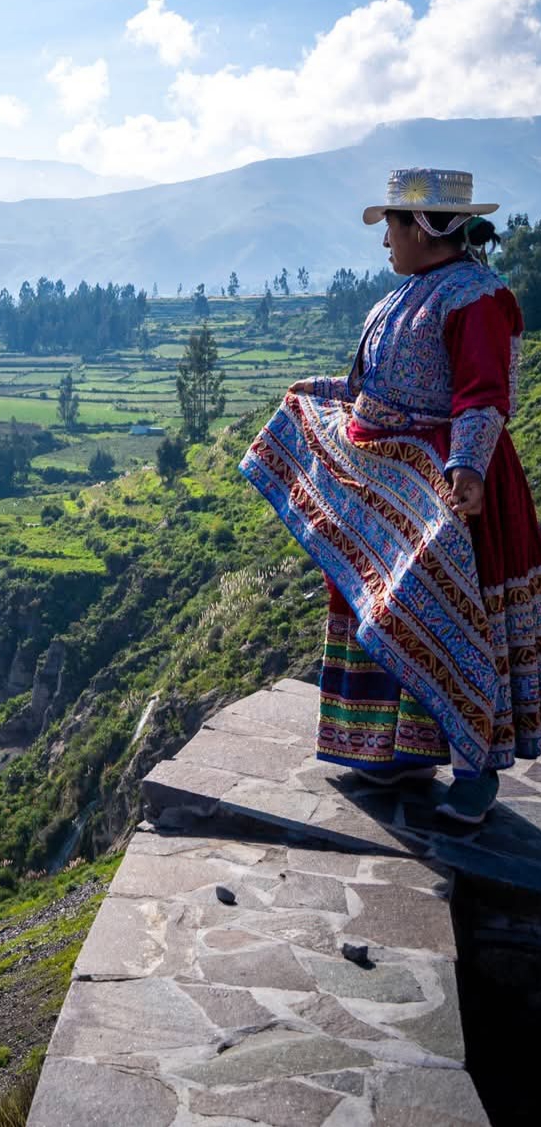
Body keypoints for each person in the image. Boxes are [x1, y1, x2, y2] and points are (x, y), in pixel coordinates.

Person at [242, 167, 537, 826]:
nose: (384, 243)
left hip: (448, 497)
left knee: (452, 617)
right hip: (394, 496)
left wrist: (465, 468)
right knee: (390, 609)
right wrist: (314, 389)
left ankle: (474, 766)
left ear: (422, 228)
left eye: (391, 227)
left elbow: (481, 393)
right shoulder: (408, 296)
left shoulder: (475, 299)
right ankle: (398, 749)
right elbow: (372, 386)